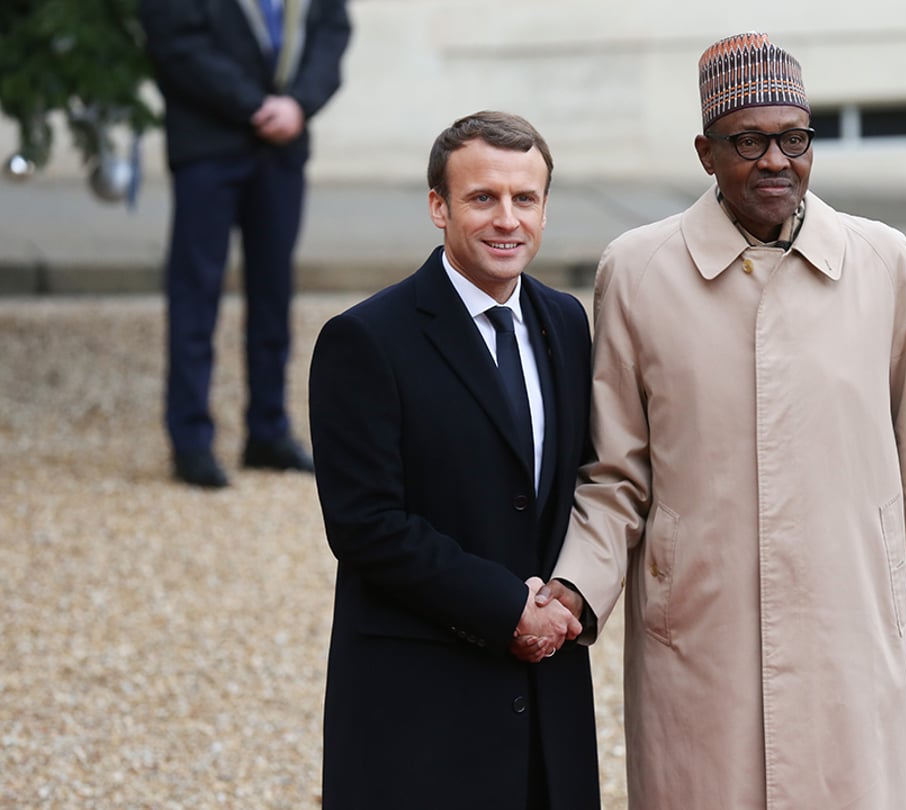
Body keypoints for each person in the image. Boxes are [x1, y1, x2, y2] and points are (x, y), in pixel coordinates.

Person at [542, 32, 906, 809]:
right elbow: (616, 476)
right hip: (697, 632)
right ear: (705, 152)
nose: (775, 161)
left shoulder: (885, 263)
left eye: (794, 138)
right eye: (748, 141)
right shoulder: (636, 271)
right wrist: (573, 591)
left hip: (850, 627)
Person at [308, 111, 600, 809]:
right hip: (421, 702)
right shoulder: (365, 340)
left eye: (524, 198)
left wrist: (572, 595)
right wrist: (508, 609)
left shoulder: (566, 321)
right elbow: (366, 524)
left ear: (544, 208)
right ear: (438, 207)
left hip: (548, 702)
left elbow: (584, 481)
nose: (507, 219)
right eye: (482, 198)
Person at [139, 0, 351, 487]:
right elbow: (176, 44)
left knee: (274, 294)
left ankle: (268, 432)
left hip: (282, 149)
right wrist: (254, 106)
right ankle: (191, 440)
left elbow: (330, 33)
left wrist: (299, 104)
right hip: (208, 147)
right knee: (196, 294)